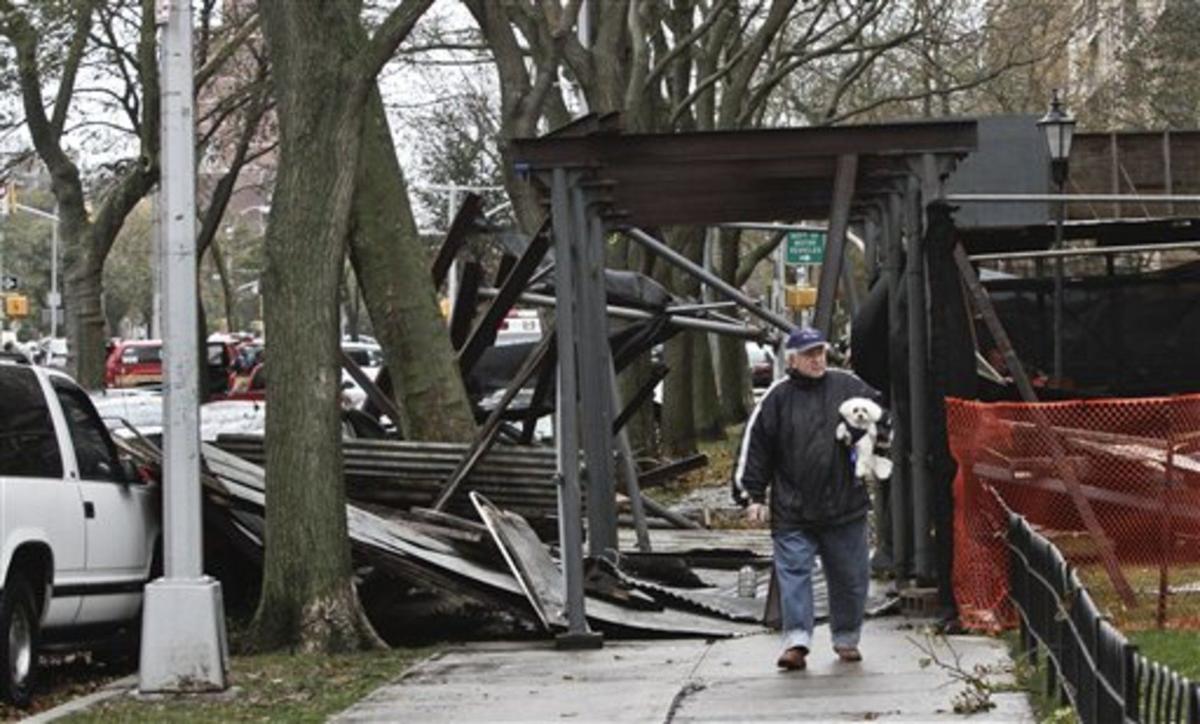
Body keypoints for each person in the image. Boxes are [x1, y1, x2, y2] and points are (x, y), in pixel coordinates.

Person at [734, 326, 887, 671]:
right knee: (794, 575)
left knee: (851, 577)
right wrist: (752, 496)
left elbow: (883, 419)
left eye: (820, 352)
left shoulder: (849, 386)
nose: (817, 359)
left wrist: (871, 438)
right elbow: (756, 448)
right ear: (792, 359)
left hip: (845, 505)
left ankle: (846, 636)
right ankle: (797, 640)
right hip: (793, 508)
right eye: (808, 354)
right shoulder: (776, 398)